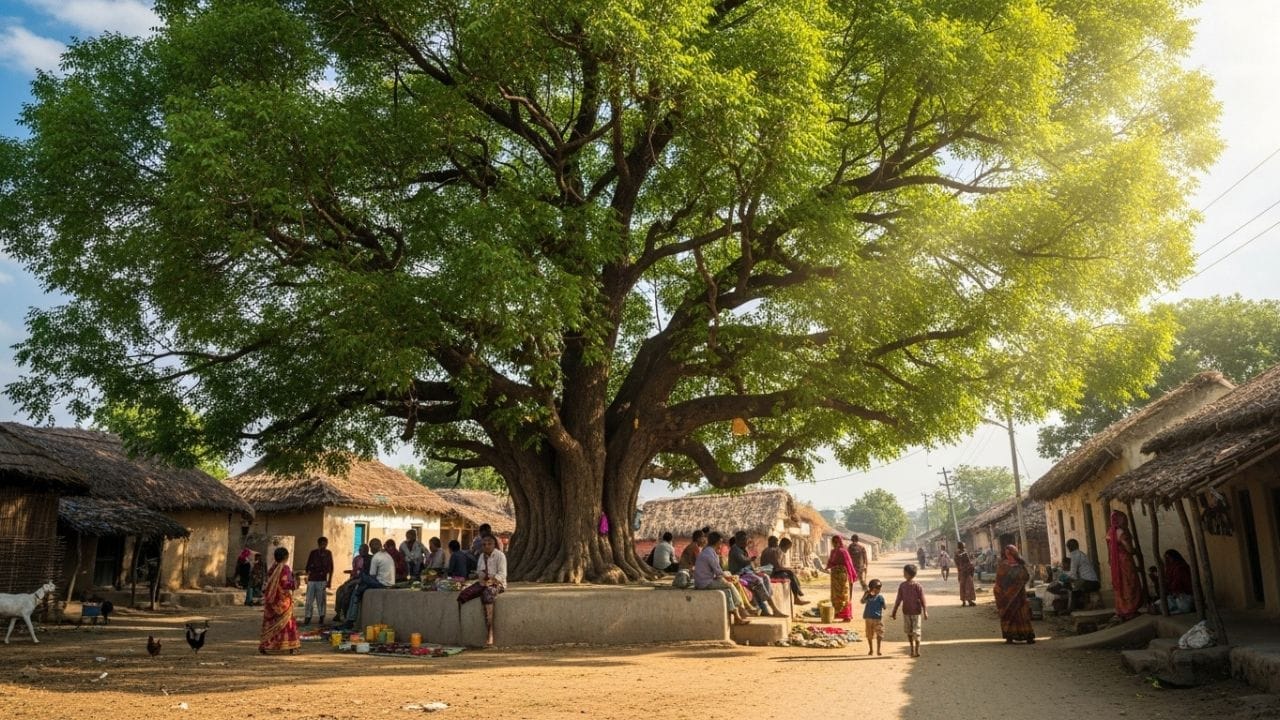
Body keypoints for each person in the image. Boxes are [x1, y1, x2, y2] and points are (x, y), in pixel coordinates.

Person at [457, 534, 507, 646]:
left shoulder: (500, 556)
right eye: (484, 544)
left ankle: (490, 632)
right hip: (484, 582)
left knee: (487, 594)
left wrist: (492, 580)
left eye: (489, 544)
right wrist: (482, 577)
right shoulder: (481, 556)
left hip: (497, 584)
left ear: (494, 545)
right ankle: (462, 629)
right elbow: (479, 571)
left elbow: (502, 574)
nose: (487, 546)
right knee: (464, 594)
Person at [693, 531, 752, 626]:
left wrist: (727, 576)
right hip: (705, 583)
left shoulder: (709, 551)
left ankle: (737, 618)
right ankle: (741, 607)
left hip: (706, 580)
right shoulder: (709, 553)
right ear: (717, 542)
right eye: (721, 542)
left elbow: (717, 571)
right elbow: (718, 571)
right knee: (729, 584)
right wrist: (728, 577)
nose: (721, 545)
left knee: (727, 592)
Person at [728, 530, 784, 617]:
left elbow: (749, 565)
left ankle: (764, 607)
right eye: (745, 540)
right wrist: (751, 560)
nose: (746, 542)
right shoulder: (735, 549)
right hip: (739, 574)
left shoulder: (742, 549)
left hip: (747, 572)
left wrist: (755, 570)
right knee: (758, 581)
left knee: (765, 577)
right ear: (739, 540)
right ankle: (774, 609)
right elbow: (743, 561)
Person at [341, 538, 394, 627]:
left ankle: (350, 619)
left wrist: (358, 581)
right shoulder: (385, 555)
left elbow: (372, 576)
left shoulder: (376, 558)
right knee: (360, 582)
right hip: (387, 581)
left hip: (381, 583)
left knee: (357, 589)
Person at [259, 546, 300, 655]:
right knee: (287, 623)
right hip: (283, 601)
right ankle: (290, 646)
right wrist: (296, 581)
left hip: (271, 601)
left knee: (270, 623)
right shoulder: (285, 569)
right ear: (286, 557)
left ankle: (265, 645)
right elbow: (287, 584)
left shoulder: (272, 568)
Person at [1106, 510, 1144, 620]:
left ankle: (1122, 609)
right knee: (1129, 583)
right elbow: (1129, 549)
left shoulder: (1110, 532)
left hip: (1115, 562)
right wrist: (1136, 551)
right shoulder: (1121, 532)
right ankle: (1130, 609)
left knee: (1120, 584)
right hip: (1125, 561)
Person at [994, 545, 1035, 644]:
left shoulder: (1021, 564)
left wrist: (1018, 583)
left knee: (1023, 615)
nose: (1008, 555)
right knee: (1009, 615)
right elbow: (998, 580)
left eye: (1010, 553)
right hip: (1006, 596)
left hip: (1020, 596)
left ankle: (1027, 636)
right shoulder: (1003, 565)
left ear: (1014, 553)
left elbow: (1026, 576)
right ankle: (1009, 637)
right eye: (1006, 553)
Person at [891, 564, 927, 657]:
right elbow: (898, 599)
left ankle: (916, 650)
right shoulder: (903, 586)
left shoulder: (916, 586)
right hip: (908, 612)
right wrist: (894, 611)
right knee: (911, 631)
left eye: (904, 573)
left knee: (915, 631)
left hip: (915, 612)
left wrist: (925, 611)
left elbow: (922, 599)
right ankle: (912, 650)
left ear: (908, 574)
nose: (903, 574)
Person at [761, 537, 809, 605]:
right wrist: (788, 569)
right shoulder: (774, 551)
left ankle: (798, 593)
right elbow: (777, 567)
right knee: (790, 574)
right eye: (787, 548)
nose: (777, 544)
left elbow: (776, 566)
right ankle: (797, 596)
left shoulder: (765, 550)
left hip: (768, 571)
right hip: (771, 573)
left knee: (790, 572)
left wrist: (787, 569)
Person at [302, 536, 334, 626]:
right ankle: (307, 617)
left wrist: (330, 581)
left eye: (325, 544)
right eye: (322, 544)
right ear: (319, 544)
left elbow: (331, 568)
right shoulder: (313, 553)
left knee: (321, 600)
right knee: (309, 600)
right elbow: (307, 567)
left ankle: (322, 616)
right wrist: (307, 576)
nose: (324, 546)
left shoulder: (328, 553)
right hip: (312, 579)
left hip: (322, 580)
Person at [826, 535, 858, 622]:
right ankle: (840, 614)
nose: (835, 544)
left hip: (840, 576)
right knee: (840, 595)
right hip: (837, 576)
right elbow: (848, 565)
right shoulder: (838, 551)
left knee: (843, 595)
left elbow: (848, 564)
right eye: (834, 542)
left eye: (836, 542)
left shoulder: (841, 552)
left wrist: (851, 576)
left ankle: (845, 615)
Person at [1161, 549, 1194, 614]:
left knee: (1183, 606)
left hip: (1185, 595)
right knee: (1162, 604)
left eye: (1168, 558)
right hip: (1174, 595)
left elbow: (1178, 584)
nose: (1167, 560)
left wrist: (1173, 590)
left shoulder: (1180, 567)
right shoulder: (1170, 568)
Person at [860, 579, 885, 656]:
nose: (878, 590)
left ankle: (878, 650)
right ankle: (871, 649)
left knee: (879, 634)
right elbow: (862, 601)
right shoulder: (868, 596)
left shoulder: (880, 597)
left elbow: (884, 606)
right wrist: (866, 594)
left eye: (879, 588)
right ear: (872, 588)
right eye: (877, 588)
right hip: (869, 618)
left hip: (877, 618)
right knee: (869, 635)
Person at [954, 541, 977, 607]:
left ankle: (964, 601)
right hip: (966, 571)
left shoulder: (957, 554)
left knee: (963, 586)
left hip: (962, 571)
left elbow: (957, 564)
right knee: (968, 586)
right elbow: (969, 562)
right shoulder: (964, 553)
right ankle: (969, 601)